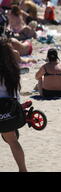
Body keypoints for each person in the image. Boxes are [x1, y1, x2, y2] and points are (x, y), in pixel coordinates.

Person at [0, 38, 27, 172]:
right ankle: (23, 169)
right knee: (13, 141)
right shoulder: (13, 69)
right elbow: (16, 92)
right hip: (9, 108)